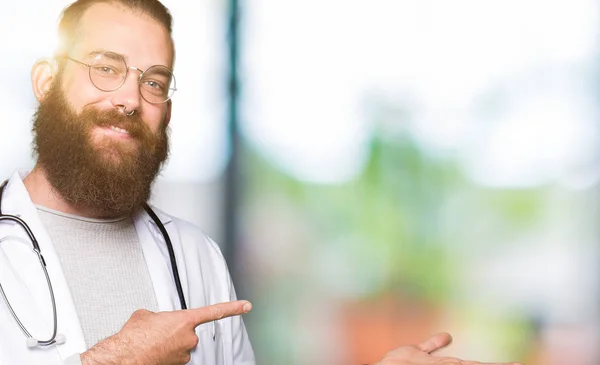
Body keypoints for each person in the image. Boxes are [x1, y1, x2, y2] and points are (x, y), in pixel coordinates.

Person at [0, 1, 523, 365]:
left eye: (153, 82)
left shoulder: (193, 255)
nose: (130, 99)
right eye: (106, 68)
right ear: (46, 82)